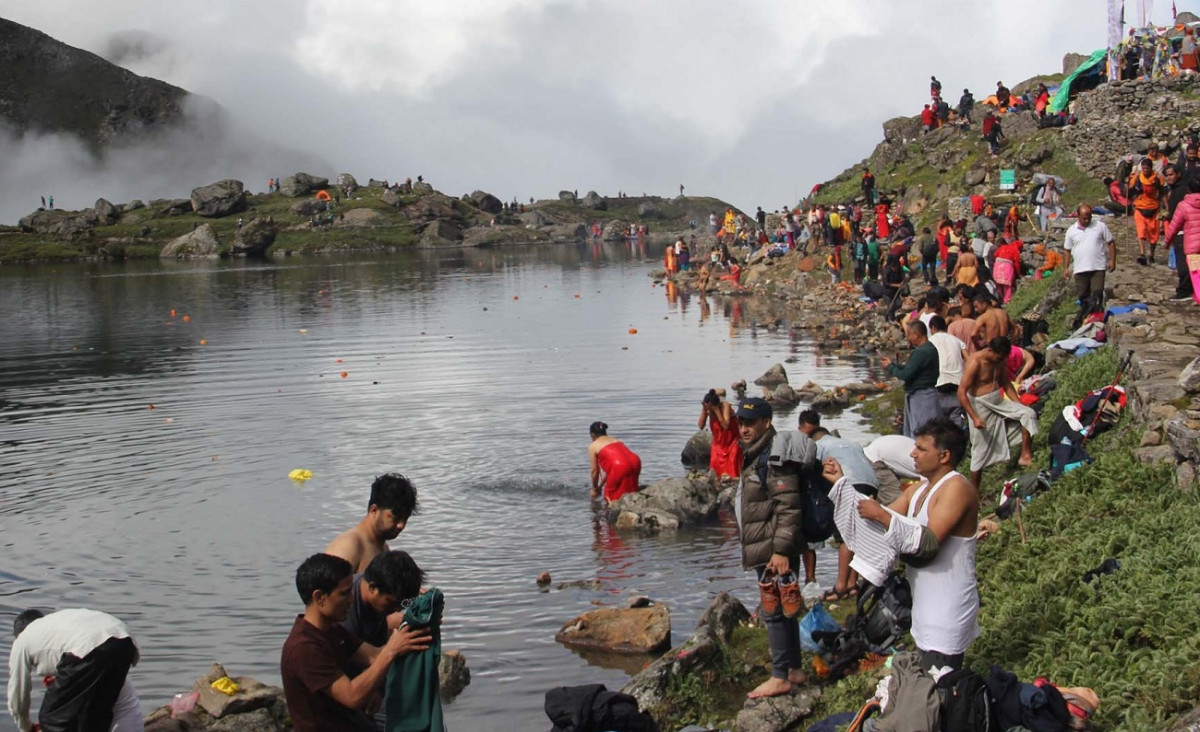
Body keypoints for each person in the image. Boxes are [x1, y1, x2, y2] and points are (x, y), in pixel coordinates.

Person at [856, 418, 980, 673]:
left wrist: (879, 513)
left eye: (921, 449)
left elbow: (928, 543)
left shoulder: (956, 487)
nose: (912, 454)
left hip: (948, 608)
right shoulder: (917, 491)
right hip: (924, 607)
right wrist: (842, 487)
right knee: (929, 683)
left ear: (944, 455)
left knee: (943, 683)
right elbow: (878, 528)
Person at [282, 553, 431, 732]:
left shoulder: (332, 631)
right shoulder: (304, 647)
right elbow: (352, 696)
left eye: (351, 592)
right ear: (320, 597)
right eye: (344, 594)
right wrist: (391, 650)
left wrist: (414, 630)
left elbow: (374, 656)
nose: (351, 600)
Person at [734, 397, 807, 699]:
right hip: (769, 541)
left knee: (774, 609)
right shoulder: (757, 453)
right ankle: (794, 669)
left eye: (751, 423)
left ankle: (780, 676)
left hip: (774, 545)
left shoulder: (773, 457)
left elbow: (789, 507)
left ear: (766, 422)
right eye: (741, 423)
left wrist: (780, 551)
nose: (744, 428)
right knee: (785, 608)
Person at [7, 609, 141, 732]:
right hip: (124, 641)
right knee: (93, 716)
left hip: (92, 647)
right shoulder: (56, 623)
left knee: (51, 719)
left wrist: (26, 727)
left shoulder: (22, 640)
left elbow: (18, 694)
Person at [958, 337, 1038, 491]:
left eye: (1002, 358)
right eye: (998, 357)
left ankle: (1025, 455)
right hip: (979, 403)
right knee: (980, 447)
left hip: (997, 400)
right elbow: (961, 392)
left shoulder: (1000, 361)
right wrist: (974, 418)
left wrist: (1018, 403)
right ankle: (975, 490)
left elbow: (1006, 383)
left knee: (1028, 413)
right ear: (990, 350)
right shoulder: (975, 362)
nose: (1000, 360)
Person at [326, 474, 418, 574]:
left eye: (405, 518)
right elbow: (324, 588)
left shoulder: (383, 547)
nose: (401, 525)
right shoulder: (349, 545)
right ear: (374, 510)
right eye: (395, 517)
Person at [882, 321, 941, 438]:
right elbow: (910, 369)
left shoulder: (921, 352)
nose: (908, 338)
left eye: (909, 335)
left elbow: (906, 375)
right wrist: (893, 365)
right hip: (924, 394)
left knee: (922, 432)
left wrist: (890, 367)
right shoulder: (930, 349)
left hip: (922, 397)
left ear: (916, 334)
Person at [1063, 204, 1117, 316]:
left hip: (1098, 267)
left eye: (1089, 217)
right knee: (1083, 296)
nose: (1087, 220)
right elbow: (1067, 250)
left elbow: (1111, 243)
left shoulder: (1100, 226)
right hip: (1080, 269)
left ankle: (1097, 318)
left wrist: (1112, 260)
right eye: (1084, 218)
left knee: (1097, 295)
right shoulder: (1071, 231)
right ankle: (1085, 318)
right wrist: (1066, 268)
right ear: (1078, 216)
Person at [1163, 171, 1200, 303]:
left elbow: (1174, 225)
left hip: (1191, 245)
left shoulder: (1184, 205)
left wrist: (1167, 241)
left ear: (1188, 190)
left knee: (1191, 271)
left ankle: (1186, 291)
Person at [588, 421, 642, 504]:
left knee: (609, 496)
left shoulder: (593, 446)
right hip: (635, 461)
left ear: (592, 435)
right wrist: (600, 487)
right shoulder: (615, 440)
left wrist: (595, 489)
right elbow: (612, 471)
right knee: (630, 490)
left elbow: (594, 471)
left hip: (619, 466)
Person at [928, 315, 966, 425]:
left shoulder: (930, 342)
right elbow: (968, 359)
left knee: (939, 424)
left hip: (939, 384)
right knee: (956, 420)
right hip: (957, 384)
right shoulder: (957, 340)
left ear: (933, 328)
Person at [1129, 157, 1166, 265]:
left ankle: (1151, 254)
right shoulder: (1137, 178)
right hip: (1140, 208)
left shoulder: (1157, 179)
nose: (1145, 170)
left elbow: (1162, 193)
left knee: (1153, 233)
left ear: (1151, 168)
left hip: (1153, 208)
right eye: (1143, 168)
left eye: (1147, 168)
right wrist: (1128, 185)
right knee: (1141, 231)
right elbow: (1129, 190)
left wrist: (1166, 207)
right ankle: (1142, 253)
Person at [699, 389, 742, 480]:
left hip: (733, 439)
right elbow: (701, 426)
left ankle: (734, 480)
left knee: (733, 460)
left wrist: (717, 411)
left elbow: (725, 426)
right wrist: (704, 411)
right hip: (719, 441)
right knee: (714, 461)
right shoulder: (707, 409)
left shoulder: (725, 406)